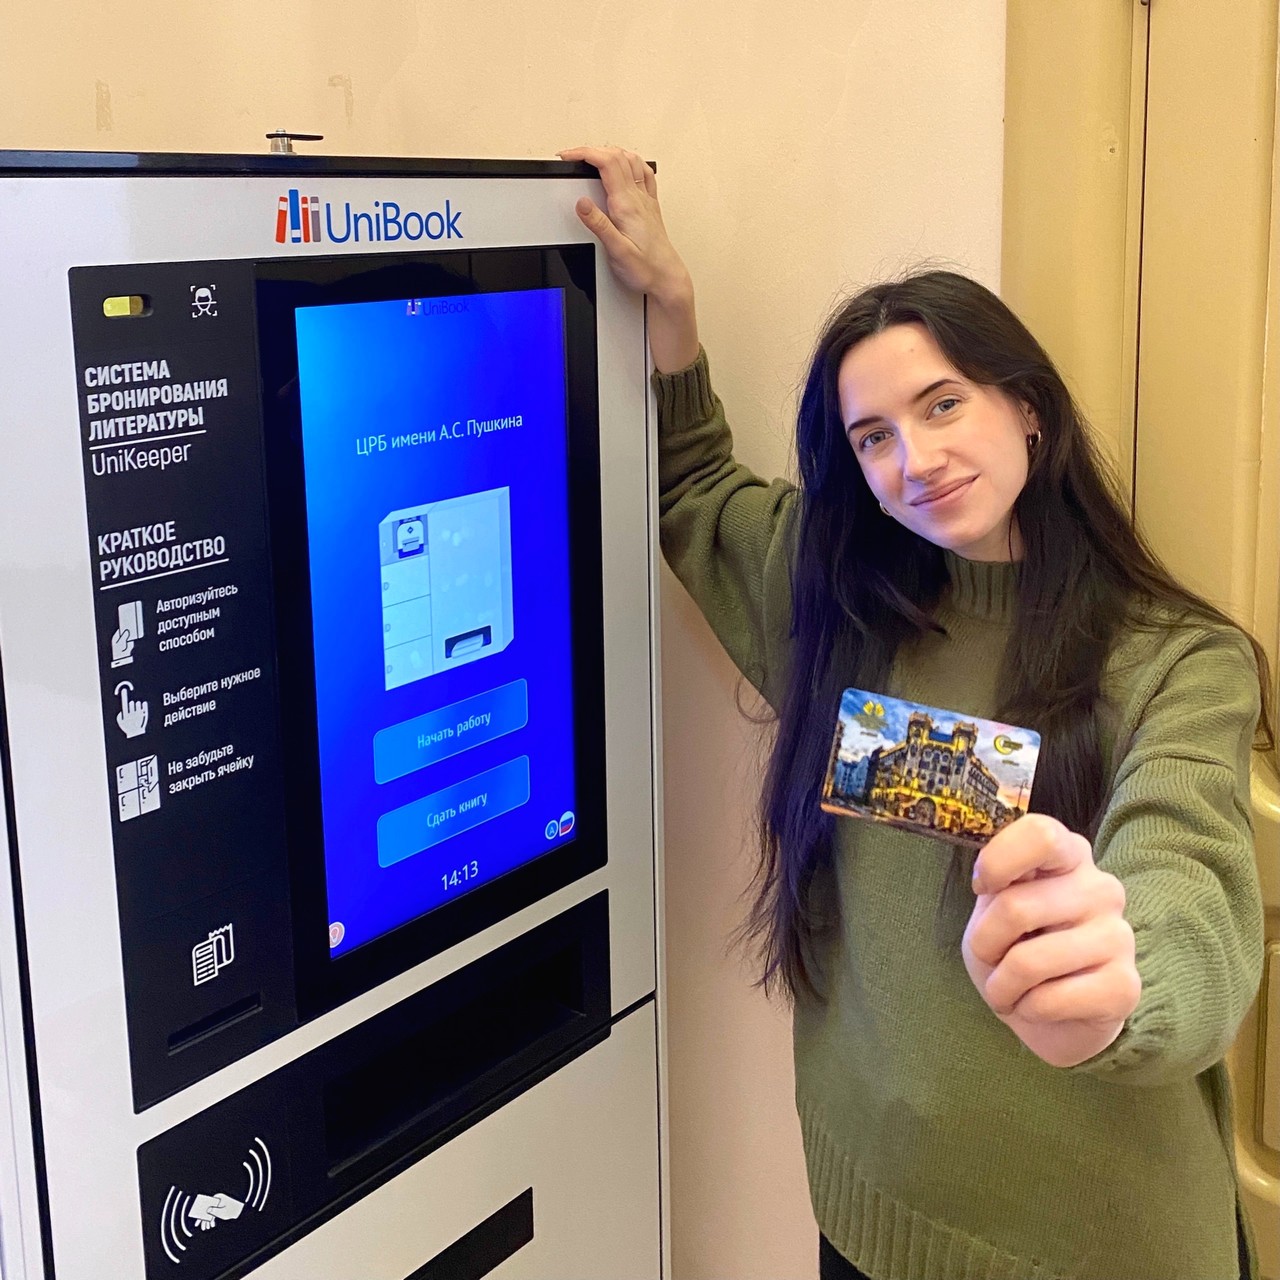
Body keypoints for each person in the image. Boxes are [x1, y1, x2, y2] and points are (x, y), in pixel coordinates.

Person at [560, 146, 1271, 1280]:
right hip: (870, 1215)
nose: (916, 459)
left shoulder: (1178, 663)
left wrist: (1119, 974)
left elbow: (1191, 887)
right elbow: (693, 485)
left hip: (1096, 1248)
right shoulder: (836, 604)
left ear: (1026, 408)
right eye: (873, 437)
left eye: (943, 404)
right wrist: (674, 310)